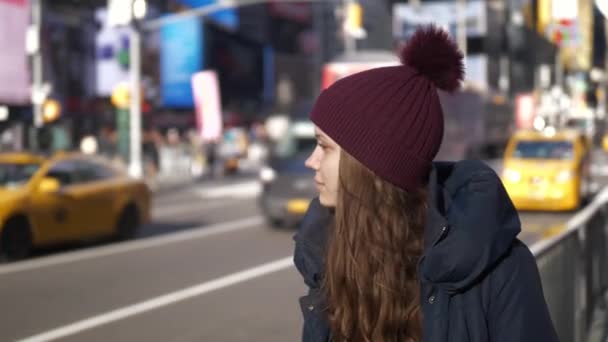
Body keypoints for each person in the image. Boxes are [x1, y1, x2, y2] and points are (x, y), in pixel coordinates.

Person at [293, 26, 558, 342]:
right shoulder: (328, 256)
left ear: (370, 165)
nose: (311, 161)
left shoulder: (502, 270)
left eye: (324, 147)